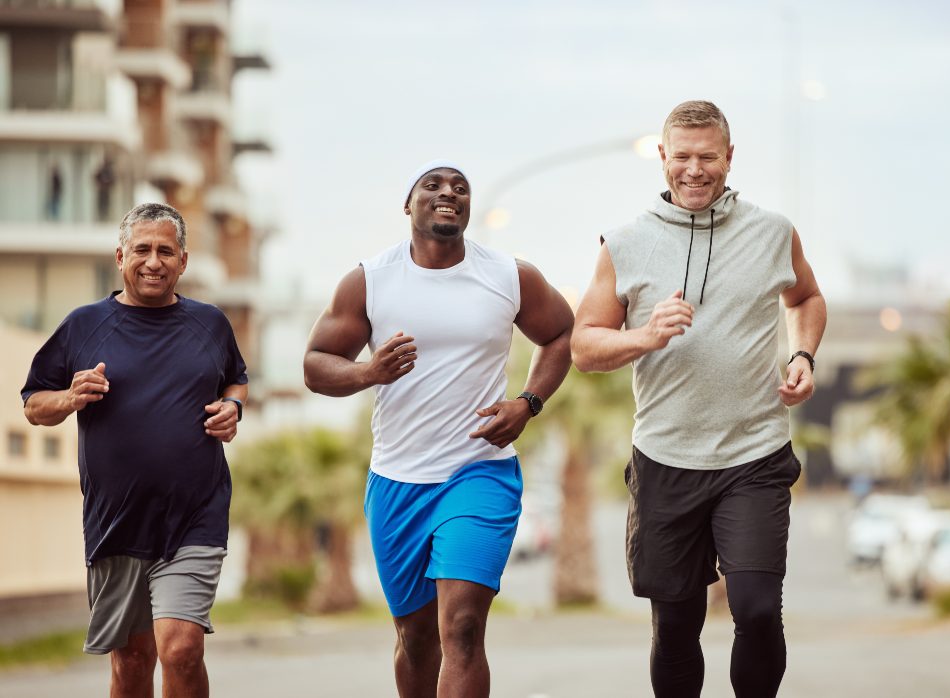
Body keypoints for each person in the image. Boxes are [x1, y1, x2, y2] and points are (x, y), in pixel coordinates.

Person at [571, 100, 827, 697]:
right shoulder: (626, 243)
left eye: (707, 157)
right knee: (677, 626)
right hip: (666, 459)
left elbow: (807, 298)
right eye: (681, 157)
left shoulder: (773, 232)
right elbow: (584, 347)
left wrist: (802, 357)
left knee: (758, 609)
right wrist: (646, 335)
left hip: (754, 455)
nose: (694, 170)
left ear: (729, 157)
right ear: (663, 158)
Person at [303, 159, 573, 697]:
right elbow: (314, 364)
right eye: (433, 184)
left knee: (464, 629)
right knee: (417, 638)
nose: (448, 192)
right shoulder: (370, 280)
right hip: (398, 481)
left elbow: (562, 333)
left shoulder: (508, 275)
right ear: (409, 204)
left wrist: (527, 402)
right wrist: (367, 372)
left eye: (461, 187)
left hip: (479, 472)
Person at [21, 202, 248, 698]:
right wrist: (69, 397)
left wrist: (233, 407)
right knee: (132, 660)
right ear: (120, 256)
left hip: (195, 514)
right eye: (142, 249)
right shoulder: (83, 326)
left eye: (166, 251)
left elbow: (236, 379)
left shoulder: (210, 324)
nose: (154, 261)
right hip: (116, 520)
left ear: (183, 262)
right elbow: (34, 405)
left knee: (181, 649)